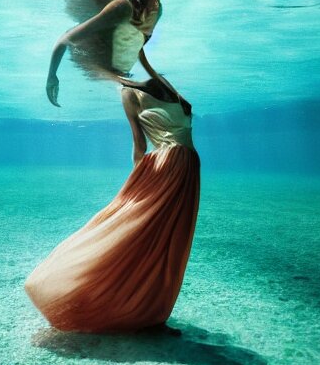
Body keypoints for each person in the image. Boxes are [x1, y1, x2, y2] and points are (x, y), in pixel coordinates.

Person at [25, 51, 200, 333]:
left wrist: (140, 53)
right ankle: (125, 304)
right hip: (178, 164)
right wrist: (135, 183)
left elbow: (139, 145)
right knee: (163, 238)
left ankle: (144, 307)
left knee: (157, 236)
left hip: (177, 165)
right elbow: (140, 145)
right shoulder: (155, 88)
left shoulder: (145, 88)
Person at [46, 0, 162, 106]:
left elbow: (138, 45)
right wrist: (51, 77)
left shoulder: (156, 10)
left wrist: (152, 75)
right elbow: (65, 40)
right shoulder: (120, 9)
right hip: (94, 33)